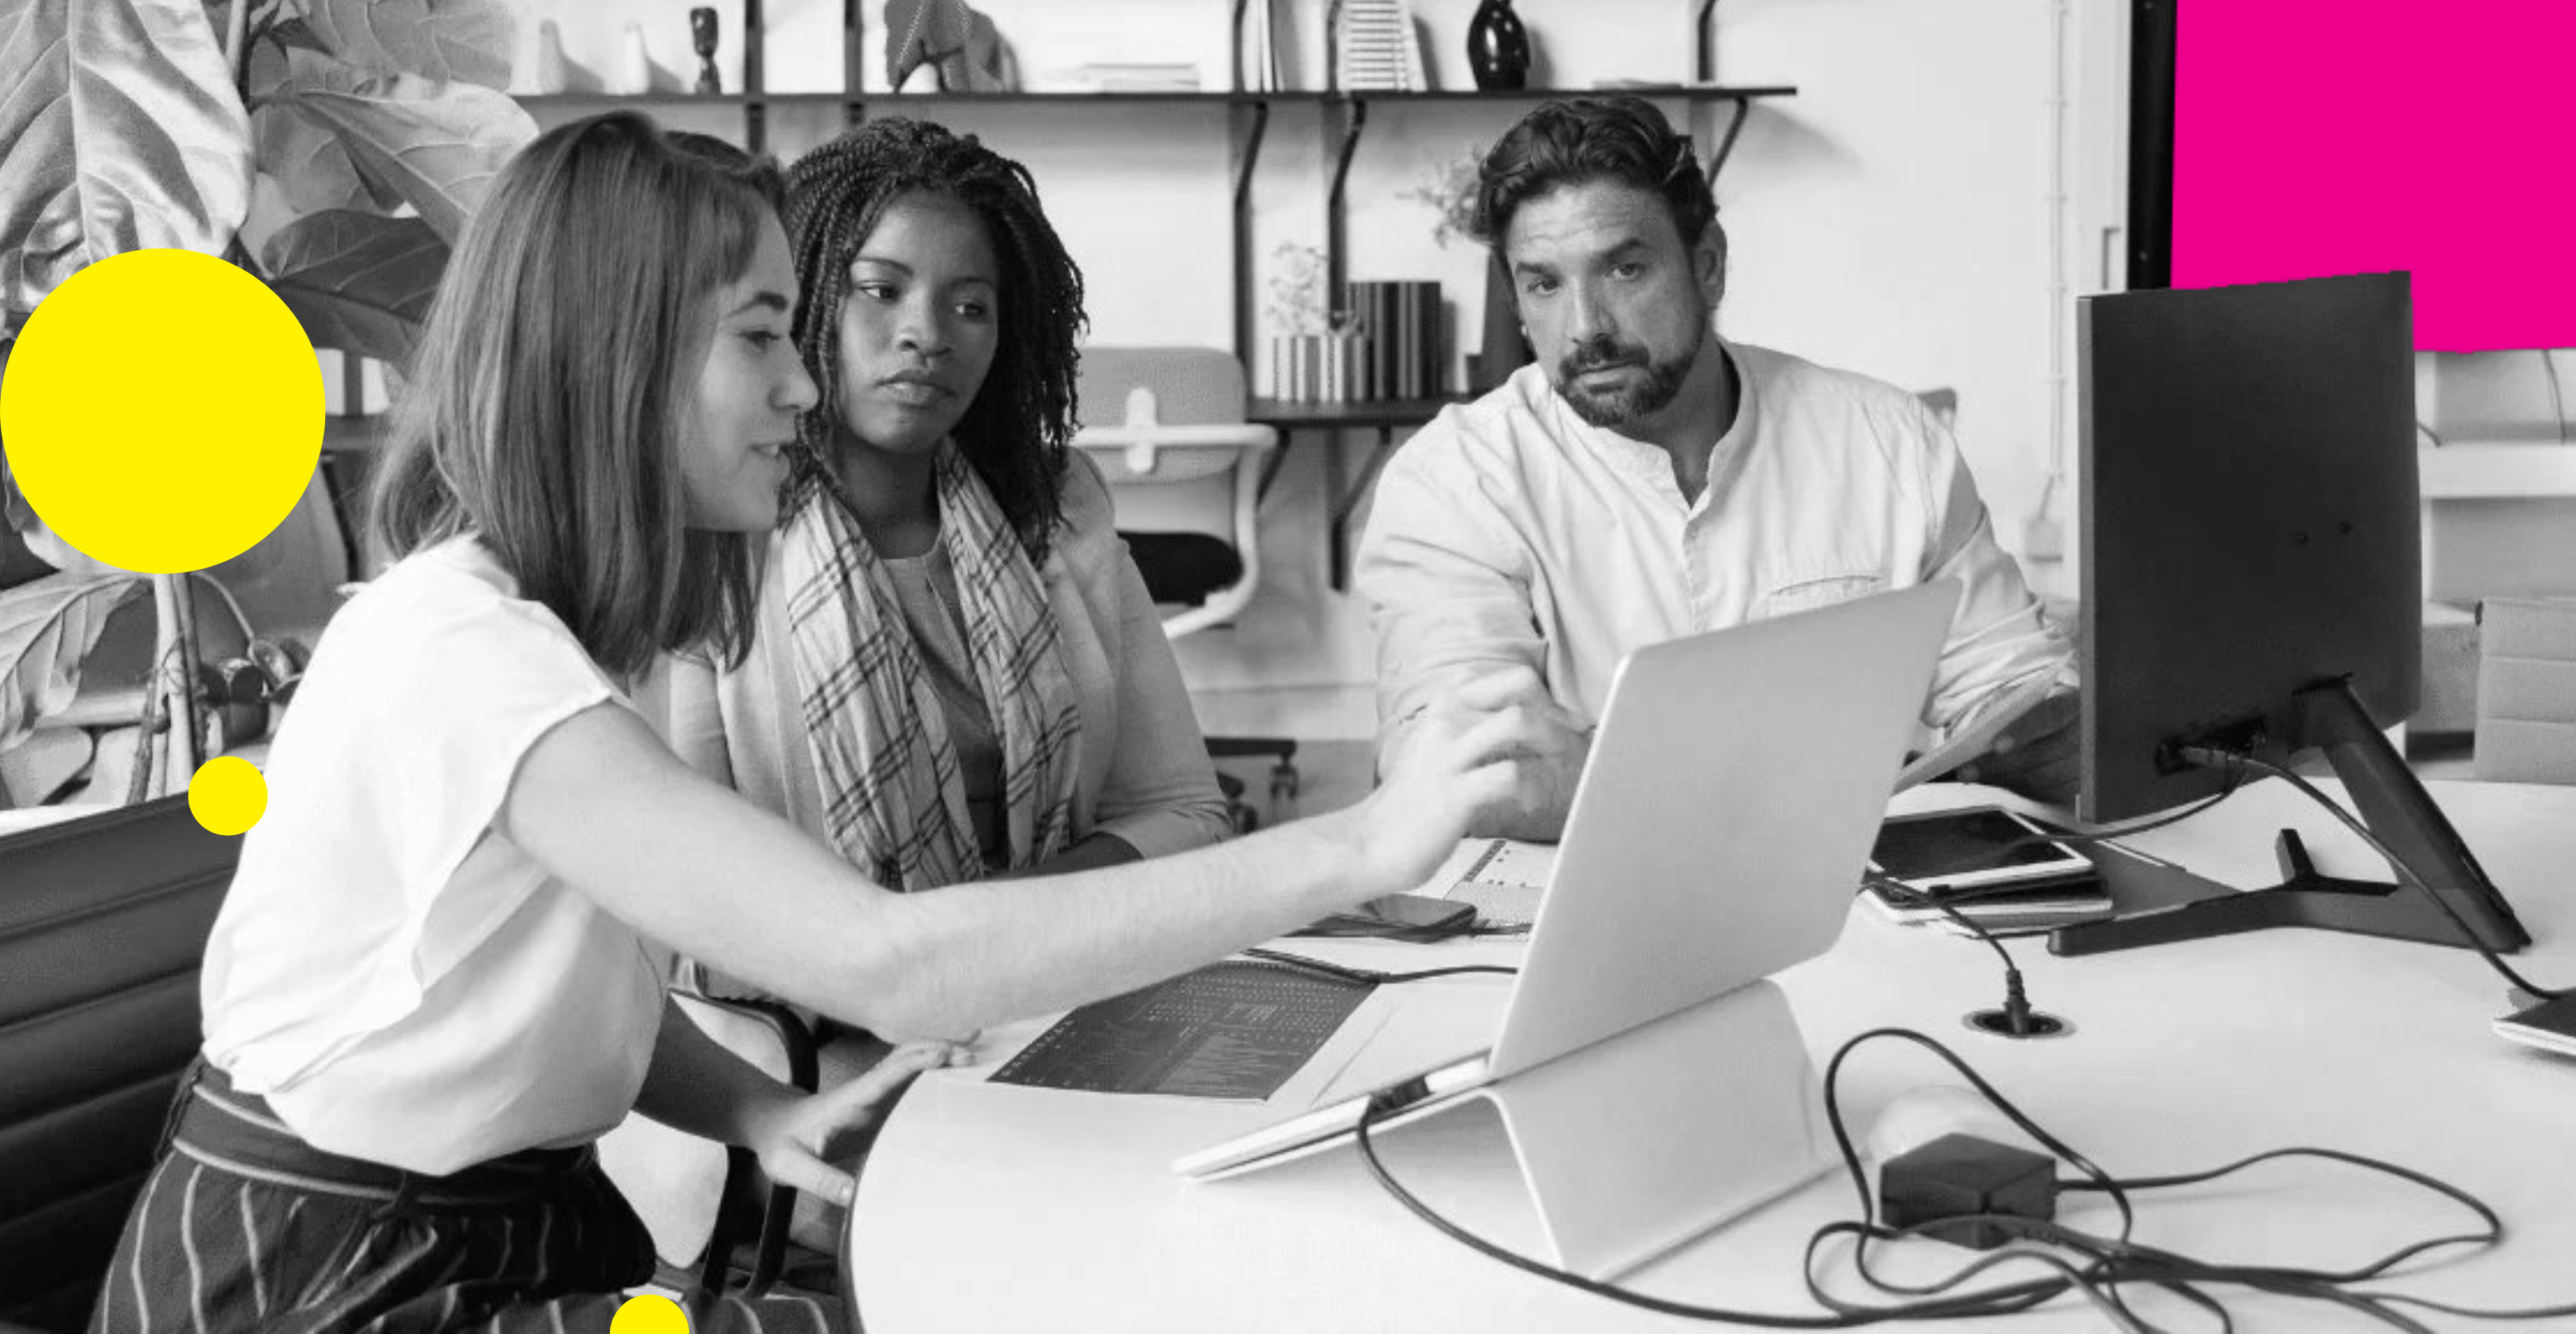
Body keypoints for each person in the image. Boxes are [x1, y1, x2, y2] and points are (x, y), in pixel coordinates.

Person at [92, 115, 1518, 1334]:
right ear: (616, 359)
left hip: (498, 1228)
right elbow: (884, 958)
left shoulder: (550, 625)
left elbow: (555, 981)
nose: (802, 383)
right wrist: (1361, 843)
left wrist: (754, 1114)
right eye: (767, 334)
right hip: (328, 1282)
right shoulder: (463, 652)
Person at [1355, 94, 2077, 843]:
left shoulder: (1890, 445)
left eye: (1625, 270)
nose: (1586, 327)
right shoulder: (1452, 483)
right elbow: (1462, 773)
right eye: (1544, 284)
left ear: (1708, 266)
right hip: (1576, 914)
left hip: (1860, 903)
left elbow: (2017, 690)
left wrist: (2058, 729)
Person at [654, 118, 1230, 946]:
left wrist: (983, 932)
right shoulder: (716, 533)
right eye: (880, 290)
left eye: (971, 306)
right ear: (805, 296)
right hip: (813, 1035)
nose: (928, 334)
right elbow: (686, 902)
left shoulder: (1059, 506)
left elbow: (1182, 810)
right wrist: (922, 959)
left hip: (1054, 978)